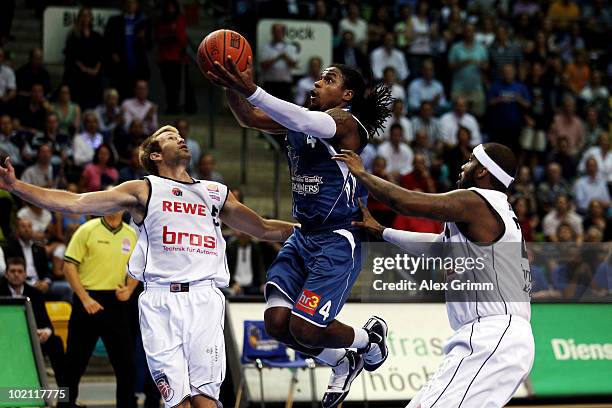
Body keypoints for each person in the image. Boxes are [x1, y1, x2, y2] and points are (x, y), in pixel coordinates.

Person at [0, 124, 296, 408]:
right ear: (155, 155)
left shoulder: (215, 192)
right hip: (161, 302)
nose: (180, 139)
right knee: (177, 401)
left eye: (181, 135)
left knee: (206, 400)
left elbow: (264, 228)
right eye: (170, 136)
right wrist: (15, 185)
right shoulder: (143, 190)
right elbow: (75, 201)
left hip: (205, 299)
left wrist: (322, 230)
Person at [207, 58, 393, 407]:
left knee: (306, 328)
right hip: (304, 236)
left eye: (329, 80)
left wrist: (251, 88)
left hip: (338, 238)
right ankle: (341, 360)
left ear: (346, 94)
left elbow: (305, 119)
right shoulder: (299, 122)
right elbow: (248, 118)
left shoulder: (347, 123)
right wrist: (230, 85)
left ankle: (368, 340)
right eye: (319, 78)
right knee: (277, 323)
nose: (318, 83)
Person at [333, 142, 534, 408]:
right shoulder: (494, 211)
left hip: (492, 336)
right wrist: (383, 232)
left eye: (471, 160)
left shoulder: (476, 200)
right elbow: (437, 247)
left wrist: (362, 173)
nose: (464, 165)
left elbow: (406, 202)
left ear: (483, 171)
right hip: (494, 337)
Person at [60, 207, 140, 408]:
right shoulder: (87, 229)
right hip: (87, 300)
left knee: (126, 365)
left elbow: (138, 267)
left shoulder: (131, 235)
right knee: (73, 362)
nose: (113, 208)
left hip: (117, 302)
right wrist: (85, 298)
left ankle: (127, 405)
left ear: (125, 208)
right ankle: (65, 404)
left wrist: (130, 289)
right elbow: (69, 266)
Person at [0, 257, 66, 386]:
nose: (16, 275)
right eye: (12, 271)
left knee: (56, 342)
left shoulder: (35, 294)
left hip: (32, 338)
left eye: (20, 271)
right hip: (6, 340)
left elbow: (47, 324)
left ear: (25, 274)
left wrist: (45, 332)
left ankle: (65, 399)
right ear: (6, 274)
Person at [259, 23, 298, 102]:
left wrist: (286, 57)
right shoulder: (266, 47)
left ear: (283, 33)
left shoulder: (290, 47)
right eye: (276, 31)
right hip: (269, 83)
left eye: (280, 31)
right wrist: (278, 57)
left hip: (285, 84)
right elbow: (263, 65)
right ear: (272, 33)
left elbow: (294, 64)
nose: (278, 33)